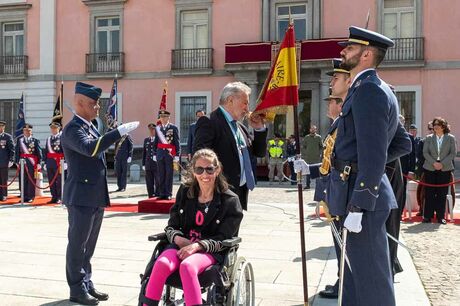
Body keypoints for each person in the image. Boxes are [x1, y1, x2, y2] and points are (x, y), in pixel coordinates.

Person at [329, 26, 409, 306]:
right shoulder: (369, 88)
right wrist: (354, 166)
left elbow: (375, 153)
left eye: (349, 48)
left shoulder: (369, 92)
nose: (343, 52)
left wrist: (360, 201)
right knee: (353, 278)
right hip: (355, 192)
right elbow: (401, 144)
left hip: (362, 202)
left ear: (366, 54)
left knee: (371, 284)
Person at [61, 81, 139, 305]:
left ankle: (86, 282)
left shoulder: (91, 126)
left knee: (89, 245)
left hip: (94, 195)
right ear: (81, 103)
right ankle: (76, 288)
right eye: (94, 104)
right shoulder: (73, 129)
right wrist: (118, 132)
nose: (98, 108)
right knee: (78, 244)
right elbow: (91, 148)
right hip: (81, 196)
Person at [142, 148, 243, 306]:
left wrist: (197, 246)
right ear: (193, 171)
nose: (204, 175)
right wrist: (177, 238)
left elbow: (225, 238)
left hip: (210, 251)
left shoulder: (230, 201)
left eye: (209, 169)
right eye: (199, 169)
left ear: (217, 170)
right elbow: (172, 225)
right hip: (180, 246)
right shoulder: (185, 191)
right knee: (161, 264)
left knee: (188, 267)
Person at [193, 81, 268, 210]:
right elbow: (201, 158)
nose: (247, 108)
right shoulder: (209, 122)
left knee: (233, 229)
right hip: (219, 194)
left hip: (239, 192)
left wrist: (259, 129)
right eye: (245, 103)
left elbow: (259, 153)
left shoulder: (240, 127)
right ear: (230, 100)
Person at [422, 117, 457, 224]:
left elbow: (452, 153)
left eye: (438, 124)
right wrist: (434, 163)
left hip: (445, 168)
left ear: (443, 126)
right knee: (429, 193)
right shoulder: (428, 138)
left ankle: (440, 217)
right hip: (430, 167)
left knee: (442, 194)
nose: (435, 126)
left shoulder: (450, 138)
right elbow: (425, 152)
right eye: (434, 124)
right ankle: (427, 216)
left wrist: (442, 164)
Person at [153, 109, 180, 200]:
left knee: (169, 174)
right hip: (160, 154)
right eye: (161, 117)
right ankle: (162, 193)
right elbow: (156, 142)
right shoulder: (158, 128)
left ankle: (168, 193)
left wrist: (177, 155)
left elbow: (177, 142)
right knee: (160, 174)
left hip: (169, 154)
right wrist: (154, 153)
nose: (163, 119)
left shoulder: (173, 127)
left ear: (168, 117)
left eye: (164, 117)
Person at [14, 123, 42, 203]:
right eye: (25, 130)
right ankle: (24, 196)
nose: (27, 132)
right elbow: (17, 152)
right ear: (23, 131)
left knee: (31, 180)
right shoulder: (20, 141)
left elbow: (39, 153)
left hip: (31, 163)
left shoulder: (35, 141)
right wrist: (16, 161)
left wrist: (39, 163)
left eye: (28, 130)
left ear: (31, 131)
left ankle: (30, 196)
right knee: (23, 179)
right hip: (22, 163)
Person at [44, 121, 65, 204]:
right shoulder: (49, 139)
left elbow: (65, 151)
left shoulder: (62, 138)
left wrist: (65, 162)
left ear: (59, 128)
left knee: (59, 181)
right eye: (52, 128)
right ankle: (54, 196)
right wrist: (45, 162)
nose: (53, 130)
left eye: (55, 128)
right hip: (50, 162)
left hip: (59, 162)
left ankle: (59, 197)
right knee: (51, 181)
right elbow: (46, 151)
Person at [300, 125, 322, 189]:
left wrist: (320, 153)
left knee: (317, 172)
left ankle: (318, 185)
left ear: (316, 130)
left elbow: (321, 146)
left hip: (316, 158)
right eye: (312, 129)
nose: (313, 130)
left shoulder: (318, 137)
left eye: (314, 129)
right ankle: (307, 185)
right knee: (308, 172)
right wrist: (305, 154)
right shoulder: (307, 137)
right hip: (308, 158)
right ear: (310, 130)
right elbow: (303, 146)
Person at [142, 123, 160, 198]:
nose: (151, 131)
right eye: (150, 130)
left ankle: (157, 194)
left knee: (157, 181)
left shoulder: (158, 140)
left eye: (153, 130)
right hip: (148, 164)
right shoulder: (146, 140)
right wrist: (143, 164)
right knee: (149, 181)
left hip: (156, 164)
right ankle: (150, 195)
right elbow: (144, 153)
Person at [0, 121, 14, 201]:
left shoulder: (7, 137)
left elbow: (12, 149)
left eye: (1, 126)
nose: (0, 128)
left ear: (4, 127)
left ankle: (4, 195)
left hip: (4, 162)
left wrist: (11, 160)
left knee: (3, 179)